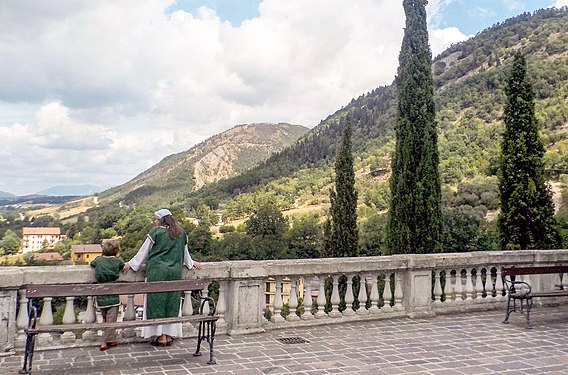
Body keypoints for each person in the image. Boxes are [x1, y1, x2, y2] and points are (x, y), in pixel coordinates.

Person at [123, 208, 202, 347]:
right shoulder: (181, 233)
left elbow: (144, 252)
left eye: (156, 219)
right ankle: (168, 335)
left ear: (161, 220)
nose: (154, 221)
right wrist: (191, 263)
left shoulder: (156, 232)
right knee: (171, 303)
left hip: (157, 272)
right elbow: (185, 253)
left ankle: (160, 336)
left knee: (156, 303)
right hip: (174, 273)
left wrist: (131, 264)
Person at [90, 239, 125, 351]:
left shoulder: (99, 260)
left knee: (105, 318)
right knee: (111, 320)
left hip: (101, 293)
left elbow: (92, 263)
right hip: (113, 293)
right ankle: (104, 341)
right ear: (116, 250)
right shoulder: (118, 261)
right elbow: (122, 265)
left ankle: (111, 339)